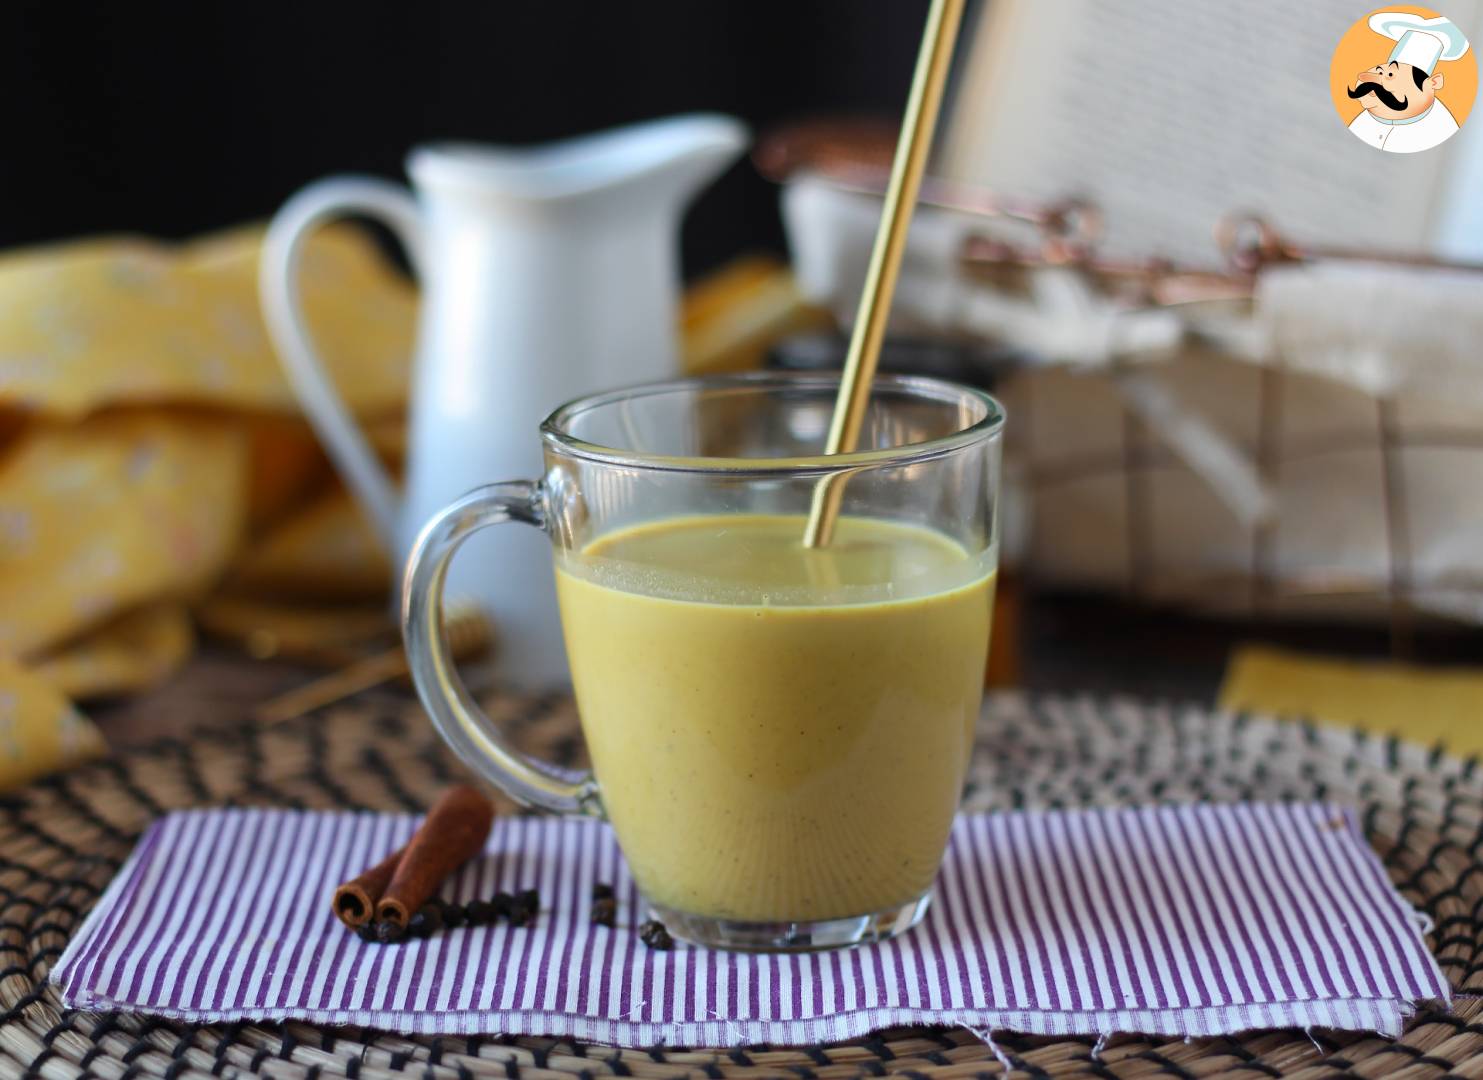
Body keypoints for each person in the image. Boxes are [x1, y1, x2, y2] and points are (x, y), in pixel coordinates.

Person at [1347, 12, 1470, 153]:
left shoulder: (1438, 130)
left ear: (1433, 83)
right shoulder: (1364, 119)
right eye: (1379, 71)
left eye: (1391, 75)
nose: (1373, 80)